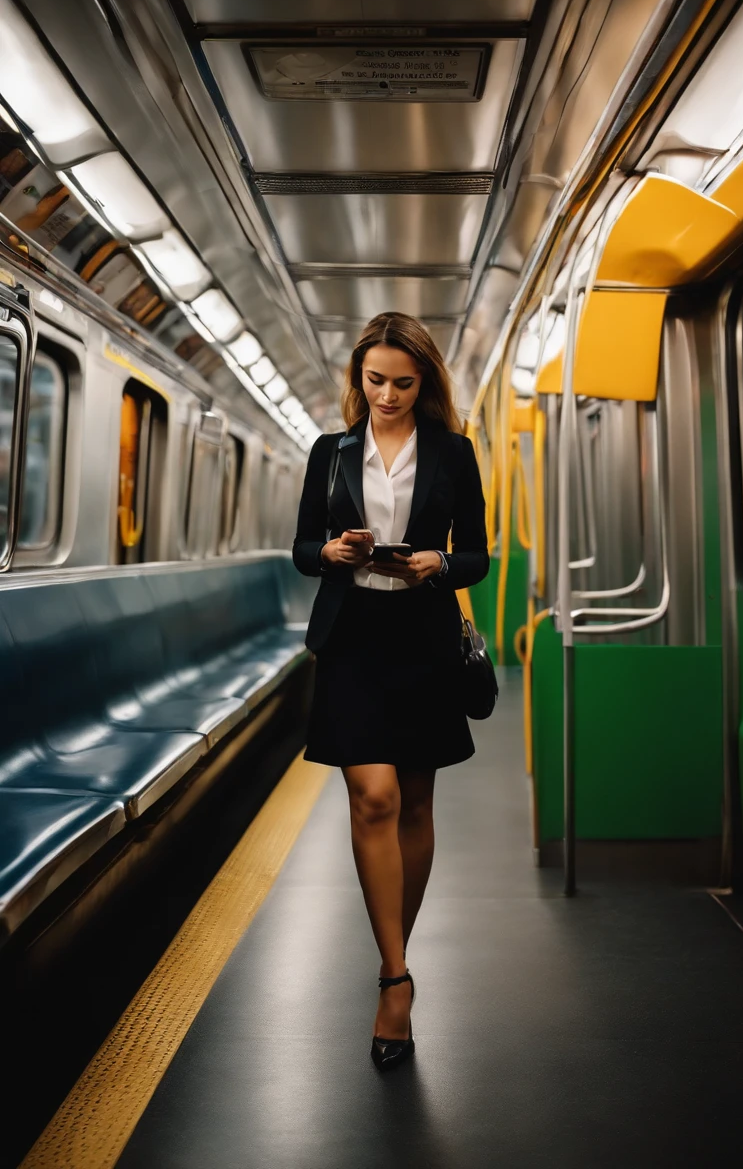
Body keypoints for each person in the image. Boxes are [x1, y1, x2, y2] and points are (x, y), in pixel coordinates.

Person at [292, 311, 489, 1072]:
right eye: (375, 380)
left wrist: (440, 565)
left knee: (413, 802)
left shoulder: (454, 452)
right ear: (358, 377)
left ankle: (390, 957)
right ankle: (396, 977)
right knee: (371, 796)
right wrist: (333, 549)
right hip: (353, 637)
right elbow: (304, 545)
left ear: (424, 383)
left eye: (403, 383)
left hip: (423, 639)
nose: (387, 395)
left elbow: (475, 552)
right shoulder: (330, 452)